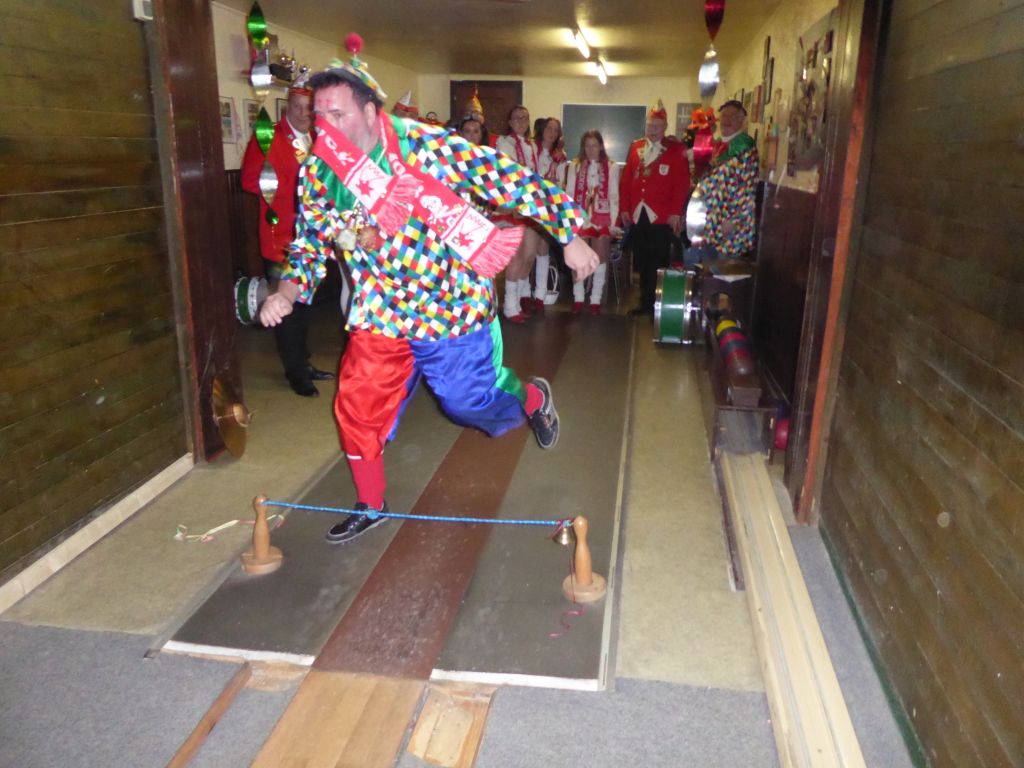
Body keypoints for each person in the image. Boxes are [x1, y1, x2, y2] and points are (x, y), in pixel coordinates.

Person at [259, 35, 599, 544]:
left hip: (450, 303)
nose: (325, 125)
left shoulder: (428, 147)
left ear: (371, 112)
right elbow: (308, 244)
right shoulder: (318, 173)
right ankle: (371, 503)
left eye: (337, 113)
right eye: (319, 114)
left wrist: (567, 234)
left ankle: (530, 397)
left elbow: (506, 178)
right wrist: (286, 292)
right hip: (381, 310)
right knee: (356, 405)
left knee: (467, 404)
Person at [240, 82, 335, 397]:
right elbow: (249, 181)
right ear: (287, 107)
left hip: (312, 238)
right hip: (281, 237)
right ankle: (296, 373)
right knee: (286, 306)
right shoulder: (268, 137)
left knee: (305, 305)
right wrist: (293, 188)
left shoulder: (318, 138)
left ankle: (303, 361)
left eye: (310, 109)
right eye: (298, 107)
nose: (304, 114)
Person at [619, 99, 690, 315]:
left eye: (657, 126)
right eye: (650, 125)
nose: (653, 130)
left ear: (665, 126)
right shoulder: (636, 147)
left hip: (661, 215)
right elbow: (627, 180)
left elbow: (682, 183)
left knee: (659, 261)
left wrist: (676, 212)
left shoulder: (676, 149)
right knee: (641, 260)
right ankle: (645, 302)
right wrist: (624, 208)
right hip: (638, 213)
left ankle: (657, 305)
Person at [693, 99, 759, 261]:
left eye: (732, 116)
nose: (726, 120)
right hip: (710, 221)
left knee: (724, 271)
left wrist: (733, 219)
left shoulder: (744, 146)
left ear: (741, 120)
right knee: (706, 270)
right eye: (723, 116)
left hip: (729, 225)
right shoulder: (718, 145)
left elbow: (748, 187)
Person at [495, 105, 544, 322]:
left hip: (530, 206)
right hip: (512, 204)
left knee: (530, 253)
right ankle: (509, 305)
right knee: (516, 256)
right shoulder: (504, 143)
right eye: (516, 118)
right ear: (510, 122)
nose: (521, 121)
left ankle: (519, 299)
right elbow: (510, 172)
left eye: (525, 118)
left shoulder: (532, 146)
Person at [566, 130, 621, 314]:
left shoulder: (611, 167)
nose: (590, 149)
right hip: (579, 217)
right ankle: (578, 298)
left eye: (594, 145)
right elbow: (569, 193)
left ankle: (595, 299)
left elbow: (614, 195)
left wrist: (613, 223)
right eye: (587, 146)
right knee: (577, 258)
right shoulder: (575, 166)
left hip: (602, 216)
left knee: (600, 257)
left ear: (601, 147)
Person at [530, 117, 568, 311]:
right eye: (549, 128)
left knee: (543, 247)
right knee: (529, 250)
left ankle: (540, 293)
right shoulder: (530, 149)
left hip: (549, 206)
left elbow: (561, 183)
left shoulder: (560, 156)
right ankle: (524, 293)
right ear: (542, 129)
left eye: (556, 130)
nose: (552, 133)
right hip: (529, 204)